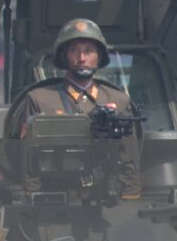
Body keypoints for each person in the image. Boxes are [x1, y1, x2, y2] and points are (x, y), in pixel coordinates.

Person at [13, 19, 140, 199]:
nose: (82, 58)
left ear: (99, 56)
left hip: (105, 196)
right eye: (74, 51)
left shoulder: (118, 100)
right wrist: (34, 195)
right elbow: (28, 156)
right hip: (56, 194)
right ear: (65, 55)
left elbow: (129, 154)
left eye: (88, 51)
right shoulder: (40, 99)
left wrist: (130, 193)